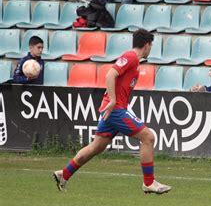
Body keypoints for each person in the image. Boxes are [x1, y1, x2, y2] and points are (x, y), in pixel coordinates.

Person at [53, 29, 171, 195]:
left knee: (96, 147)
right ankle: (149, 183)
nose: (150, 49)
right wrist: (114, 100)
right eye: (151, 45)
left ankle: (63, 174)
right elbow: (110, 74)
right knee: (148, 137)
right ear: (146, 45)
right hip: (115, 109)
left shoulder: (134, 61)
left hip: (113, 109)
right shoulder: (130, 57)